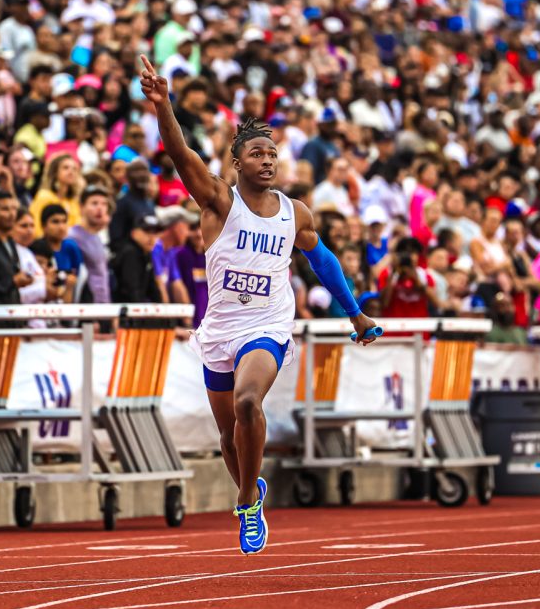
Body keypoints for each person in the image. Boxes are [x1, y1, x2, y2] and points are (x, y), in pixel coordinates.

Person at [141, 54, 377, 555]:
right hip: (220, 328)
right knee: (229, 437)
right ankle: (250, 488)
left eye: (273, 154)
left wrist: (353, 311)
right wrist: (164, 105)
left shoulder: (296, 213)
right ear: (238, 162)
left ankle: (247, 502)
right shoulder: (219, 202)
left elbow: (324, 260)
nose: (267, 160)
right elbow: (181, 154)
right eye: (257, 154)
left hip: (267, 324)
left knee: (250, 402)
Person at [70, 185, 113, 304]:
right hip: (85, 308)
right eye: (94, 203)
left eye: (104, 204)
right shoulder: (72, 237)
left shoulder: (99, 237)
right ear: (81, 207)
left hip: (102, 305)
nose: (100, 208)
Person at [109, 213, 164, 304]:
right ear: (134, 233)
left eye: (155, 233)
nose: (152, 237)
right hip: (122, 311)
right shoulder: (130, 253)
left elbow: (153, 288)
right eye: (147, 231)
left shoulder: (146, 253)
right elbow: (131, 291)